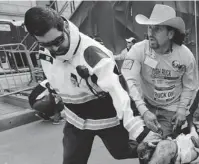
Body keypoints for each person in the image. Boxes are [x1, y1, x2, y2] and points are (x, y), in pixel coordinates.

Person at [24, 7, 161, 164]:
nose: (54, 49)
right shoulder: (45, 52)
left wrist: (141, 132)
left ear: (66, 26)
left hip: (107, 119)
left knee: (121, 152)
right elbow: (58, 76)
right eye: (46, 44)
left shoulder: (93, 54)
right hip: (76, 121)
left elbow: (120, 94)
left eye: (57, 41)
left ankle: (164, 148)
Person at [122, 4, 198, 138]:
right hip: (145, 105)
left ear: (170, 34)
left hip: (171, 109)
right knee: (143, 144)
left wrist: (181, 110)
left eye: (157, 29)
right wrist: (143, 111)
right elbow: (129, 81)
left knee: (161, 147)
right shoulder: (138, 50)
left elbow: (189, 86)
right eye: (150, 28)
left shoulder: (186, 56)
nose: (150, 33)